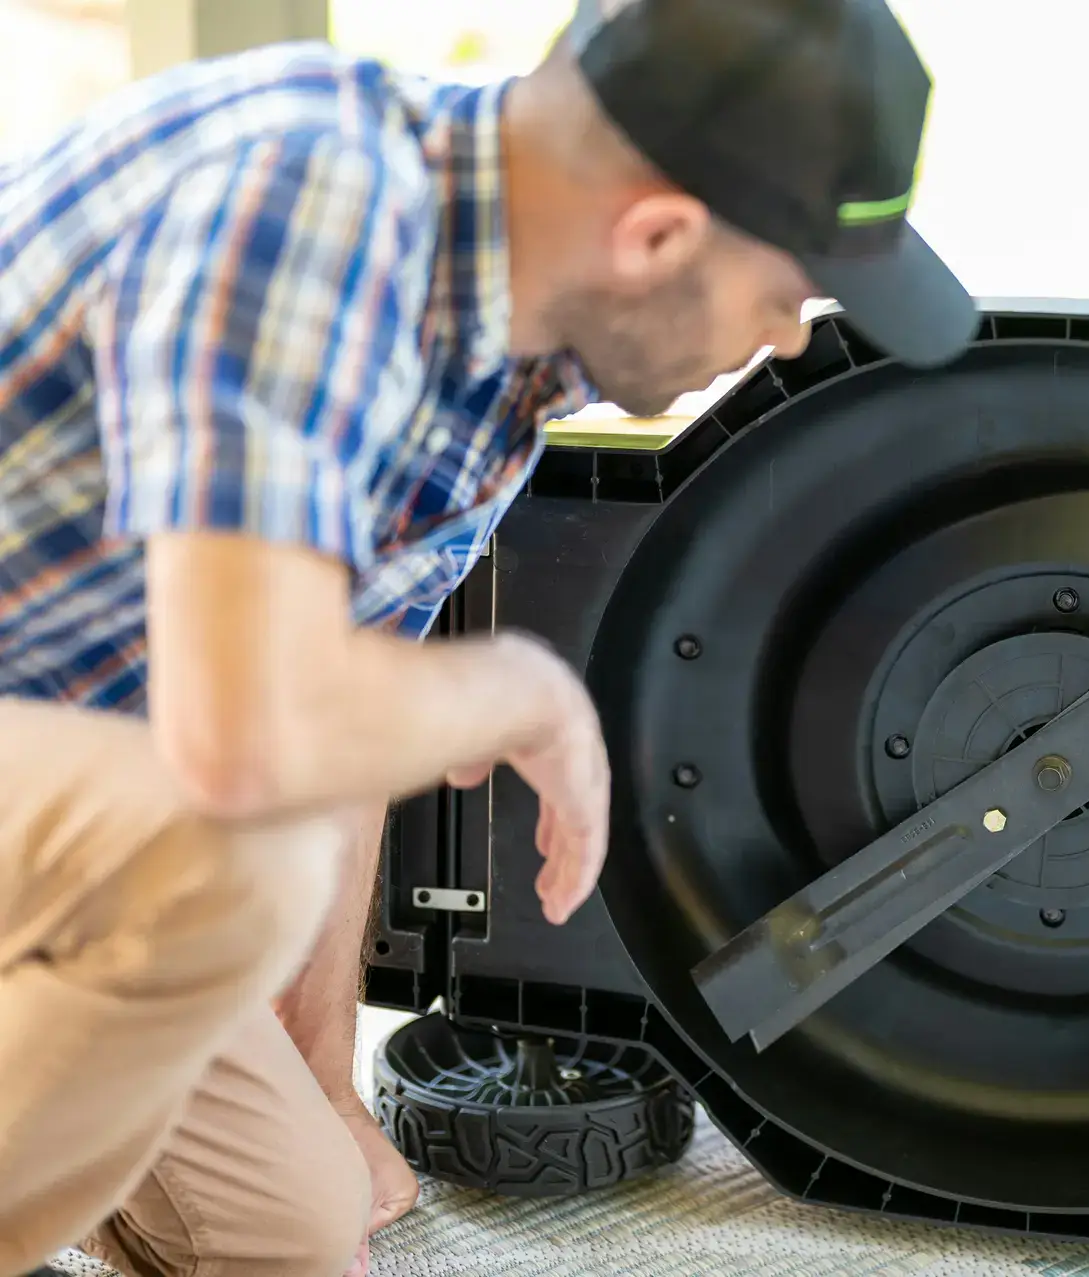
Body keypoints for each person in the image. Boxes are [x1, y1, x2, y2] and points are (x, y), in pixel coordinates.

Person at [0, 0, 974, 1271]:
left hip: (76, 819)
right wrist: (517, 688)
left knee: (291, 1231)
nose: (785, 338)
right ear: (658, 234)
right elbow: (251, 735)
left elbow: (331, 737)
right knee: (212, 854)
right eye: (790, 295)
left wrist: (326, 1089)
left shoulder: (513, 361)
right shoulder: (311, 199)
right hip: (110, 812)